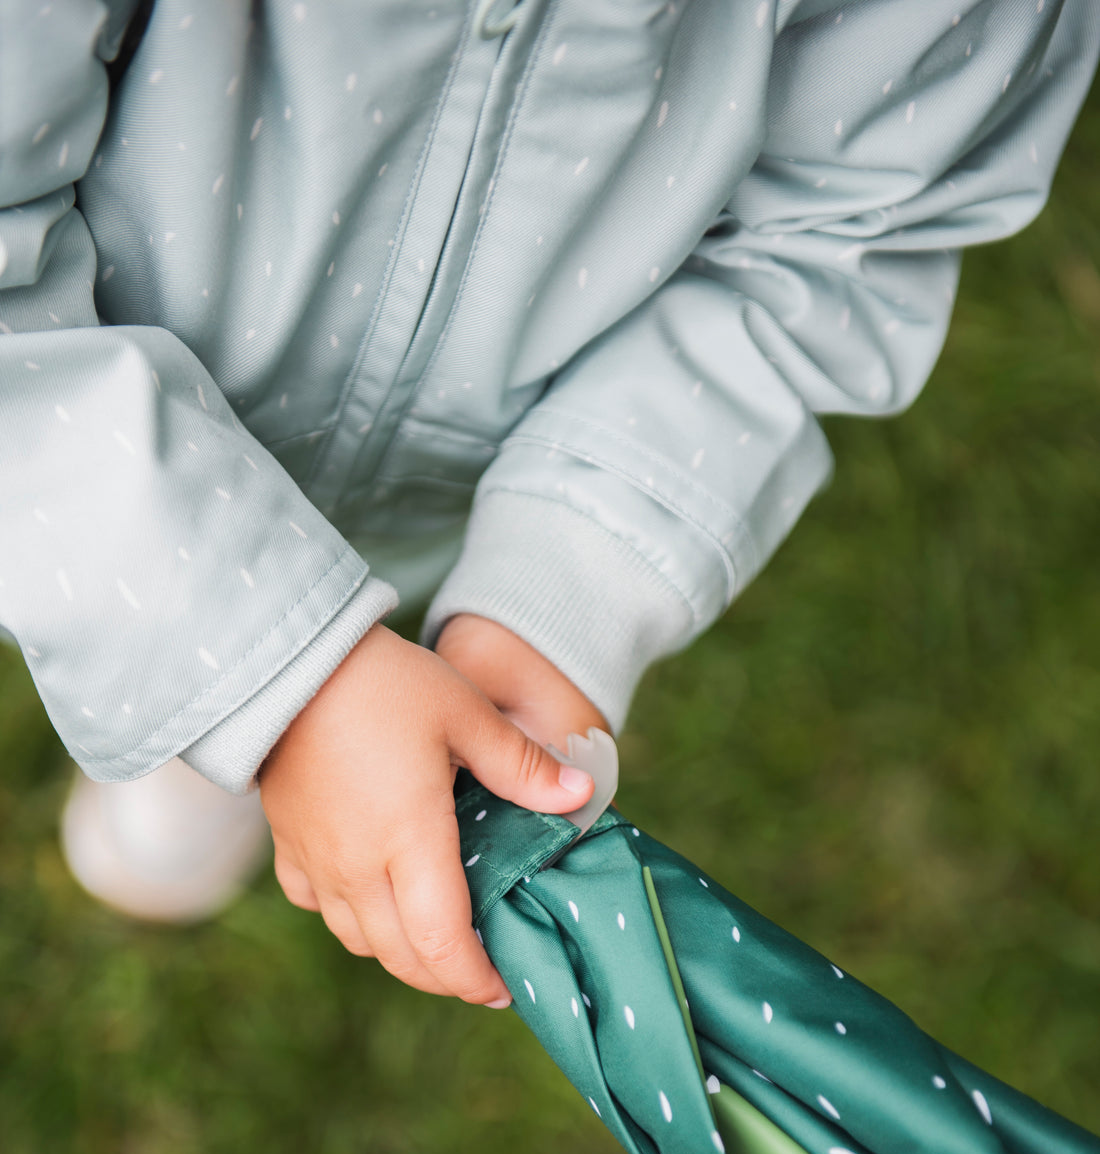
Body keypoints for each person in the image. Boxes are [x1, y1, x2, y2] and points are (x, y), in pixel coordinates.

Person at [3, 0, 1097, 1008]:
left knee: (364, 602)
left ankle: (268, 746)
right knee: (191, 640)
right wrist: (274, 674)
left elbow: (837, 242)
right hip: (89, 414)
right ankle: (212, 737)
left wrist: (551, 590)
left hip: (476, 443)